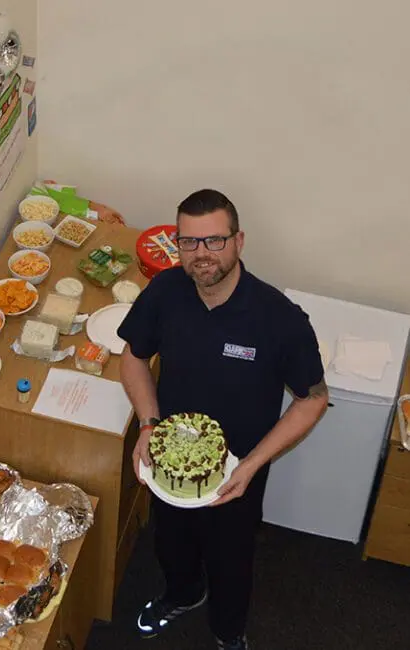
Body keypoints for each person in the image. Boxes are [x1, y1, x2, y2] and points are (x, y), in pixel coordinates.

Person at [117, 189, 328, 650]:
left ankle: (228, 633)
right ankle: (183, 594)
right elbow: (133, 359)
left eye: (214, 241)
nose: (201, 255)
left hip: (237, 475)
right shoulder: (166, 291)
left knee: (232, 562)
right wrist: (149, 425)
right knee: (169, 543)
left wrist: (251, 465)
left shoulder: (279, 319)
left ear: (239, 241)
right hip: (168, 462)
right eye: (188, 242)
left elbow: (313, 399)